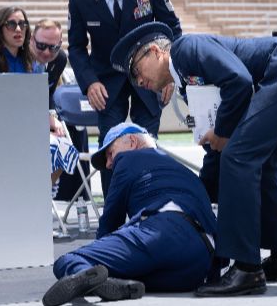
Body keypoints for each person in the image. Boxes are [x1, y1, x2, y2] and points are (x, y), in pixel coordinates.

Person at [110, 22, 277, 296]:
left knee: (239, 158)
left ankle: (247, 270)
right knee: (263, 159)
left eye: (136, 71)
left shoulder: (186, 49)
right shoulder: (186, 82)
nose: (139, 82)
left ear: (155, 52)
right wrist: (199, 193)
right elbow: (216, 142)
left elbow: (238, 81)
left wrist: (224, 134)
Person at [43, 122, 216, 306]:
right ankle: (110, 284)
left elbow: (110, 222)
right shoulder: (184, 171)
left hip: (162, 231)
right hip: (201, 259)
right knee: (131, 274)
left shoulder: (128, 159)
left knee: (69, 260)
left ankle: (91, 278)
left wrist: (99, 253)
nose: (109, 165)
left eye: (110, 154)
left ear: (132, 141)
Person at [67, 0, 181, 197]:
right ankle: (114, 213)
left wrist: (170, 73)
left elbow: (173, 30)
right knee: (111, 147)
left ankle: (149, 205)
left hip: (151, 79)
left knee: (146, 144)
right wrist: (89, 81)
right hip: (106, 84)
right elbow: (75, 47)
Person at [30, 19, 91, 201]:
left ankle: (40, 193)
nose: (47, 52)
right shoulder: (19, 57)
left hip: (38, 116)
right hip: (16, 121)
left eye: (53, 47)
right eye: (41, 46)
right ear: (31, 40)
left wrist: (51, 118)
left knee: (66, 147)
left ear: (60, 44)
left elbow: (47, 91)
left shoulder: (60, 59)